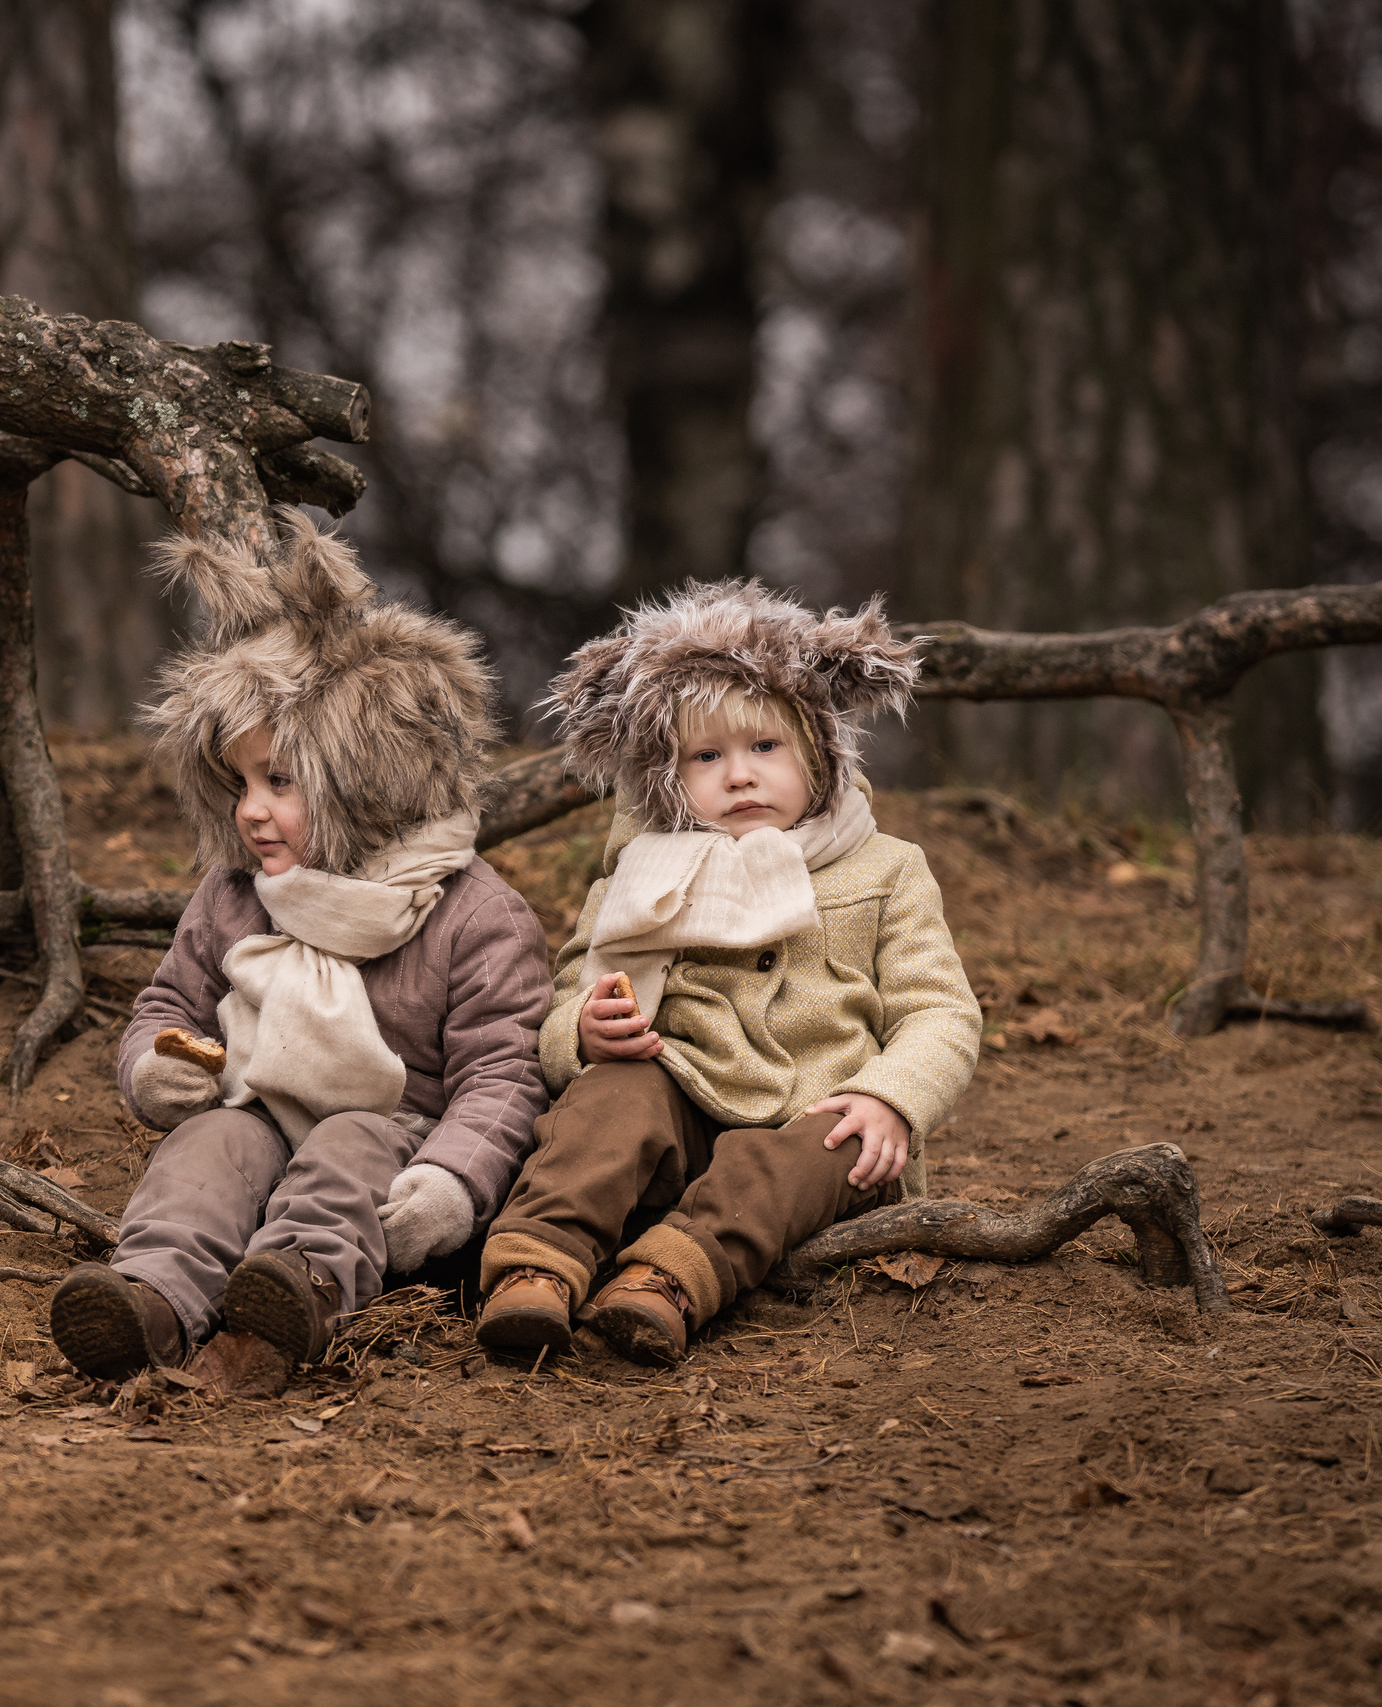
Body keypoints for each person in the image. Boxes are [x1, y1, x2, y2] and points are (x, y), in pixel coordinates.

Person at [48, 510, 549, 1396]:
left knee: (353, 1137)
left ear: (369, 775)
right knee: (208, 1144)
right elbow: (169, 1004)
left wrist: (450, 1180)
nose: (250, 808)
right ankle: (152, 1297)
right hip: (258, 1116)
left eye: (281, 781)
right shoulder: (236, 892)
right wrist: (154, 1065)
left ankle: (294, 1296)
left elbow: (502, 1074)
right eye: (238, 781)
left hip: (398, 1153)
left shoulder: (474, 914)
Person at [475, 580, 980, 1364]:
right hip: (680, 1092)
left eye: (765, 748)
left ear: (817, 748)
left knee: (825, 1146)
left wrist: (892, 1098)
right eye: (706, 757)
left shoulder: (886, 869)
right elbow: (573, 990)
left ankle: (665, 1279)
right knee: (612, 1099)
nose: (739, 775)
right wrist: (582, 1031)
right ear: (666, 779)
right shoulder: (642, 875)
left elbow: (941, 1012)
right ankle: (535, 1265)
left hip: (818, 1114)